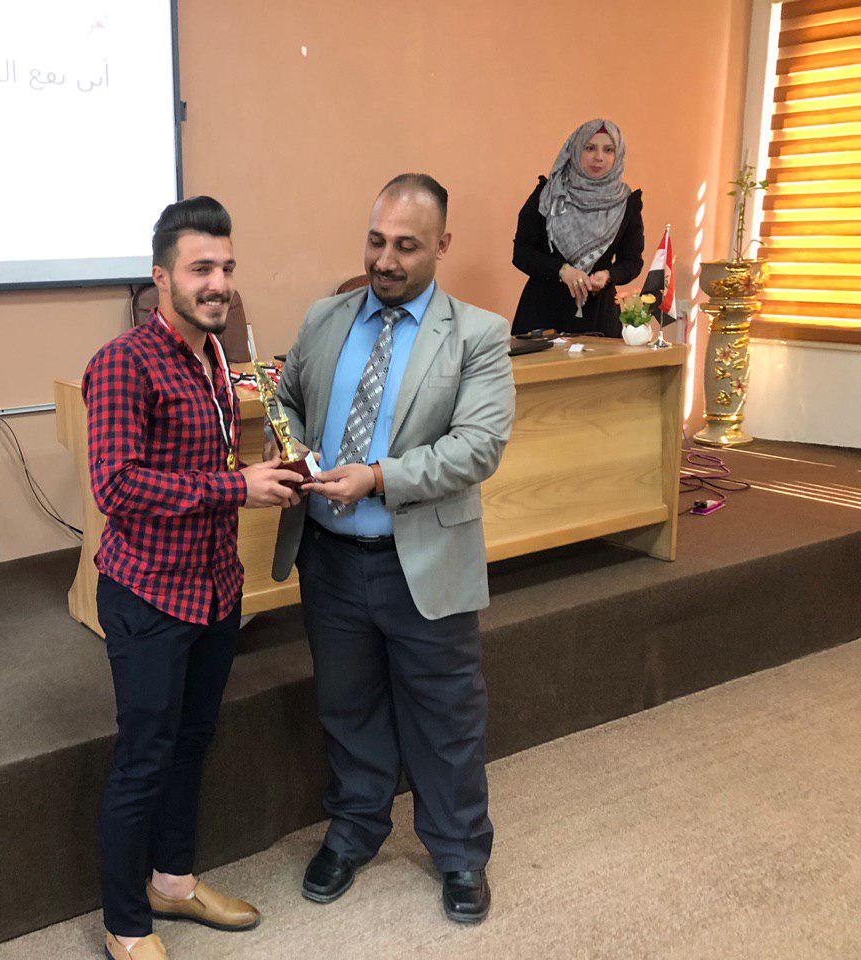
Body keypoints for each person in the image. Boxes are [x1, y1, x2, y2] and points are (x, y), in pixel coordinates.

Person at [271, 174, 514, 924]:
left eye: (406, 245)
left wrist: (378, 477)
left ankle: (460, 851)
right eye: (376, 241)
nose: (385, 259)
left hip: (423, 562)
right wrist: (292, 445)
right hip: (330, 560)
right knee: (347, 706)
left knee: (446, 716)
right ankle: (354, 830)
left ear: (442, 245)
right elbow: (285, 396)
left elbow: (477, 447)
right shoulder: (325, 318)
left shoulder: (478, 335)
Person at [83, 196, 302, 960]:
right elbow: (116, 486)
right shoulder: (124, 363)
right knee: (144, 756)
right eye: (201, 267)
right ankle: (124, 924)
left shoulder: (214, 357)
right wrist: (237, 486)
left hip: (213, 587)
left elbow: (198, 464)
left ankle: (171, 883)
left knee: (191, 743)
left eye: (227, 267)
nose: (218, 283)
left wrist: (257, 469)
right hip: (148, 594)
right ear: (161, 278)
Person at [511, 118, 644, 337]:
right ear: (575, 149)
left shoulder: (626, 203)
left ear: (618, 155)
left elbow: (632, 261)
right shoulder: (548, 194)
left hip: (598, 318)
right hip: (542, 314)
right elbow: (522, 253)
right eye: (589, 148)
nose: (599, 157)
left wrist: (608, 275)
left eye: (608, 150)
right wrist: (562, 270)